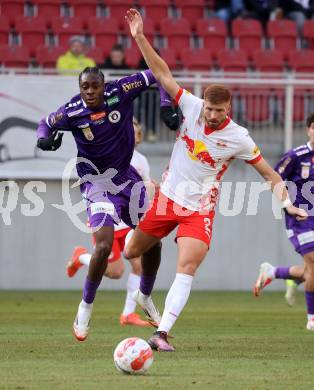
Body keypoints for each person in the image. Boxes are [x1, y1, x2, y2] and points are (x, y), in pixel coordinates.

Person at [123, 8, 308, 352]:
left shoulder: (239, 137)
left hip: (199, 209)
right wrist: (139, 37)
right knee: (131, 250)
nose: (210, 115)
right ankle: (146, 296)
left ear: (229, 110)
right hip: (167, 199)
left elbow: (269, 174)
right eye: (209, 108)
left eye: (218, 111)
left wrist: (287, 202)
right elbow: (162, 74)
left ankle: (161, 334)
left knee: (187, 265)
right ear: (204, 103)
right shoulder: (190, 106)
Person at [36, 65, 178, 342]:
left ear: (103, 85)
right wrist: (43, 139)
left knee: (154, 243)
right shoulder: (72, 110)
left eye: (94, 86)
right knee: (103, 245)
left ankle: (144, 296)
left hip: (126, 178)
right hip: (95, 181)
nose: (90, 92)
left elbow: (159, 73)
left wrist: (165, 103)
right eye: (84, 87)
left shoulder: (120, 90)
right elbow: (46, 123)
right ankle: (85, 307)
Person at [66, 117, 156, 327]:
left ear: (139, 137)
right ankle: (81, 257)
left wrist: (152, 189)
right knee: (114, 272)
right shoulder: (104, 153)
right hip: (106, 221)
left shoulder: (140, 160)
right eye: (126, 129)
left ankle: (128, 314)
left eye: (134, 131)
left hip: (127, 221)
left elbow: (144, 187)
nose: (130, 134)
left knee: (139, 265)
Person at [254, 113, 314, 330]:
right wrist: (287, 204)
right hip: (301, 218)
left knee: (311, 269)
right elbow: (273, 177)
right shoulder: (296, 156)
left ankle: (273, 272)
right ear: (308, 130)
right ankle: (311, 319)